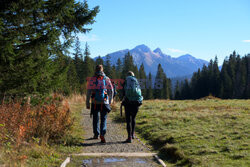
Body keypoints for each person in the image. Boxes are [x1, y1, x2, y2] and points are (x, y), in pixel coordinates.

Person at [86, 65, 114, 143]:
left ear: (95, 70)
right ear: (102, 70)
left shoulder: (92, 79)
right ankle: (102, 134)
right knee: (103, 119)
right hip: (104, 102)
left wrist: (87, 103)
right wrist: (110, 100)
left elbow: (88, 92)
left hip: (95, 102)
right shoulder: (106, 78)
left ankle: (96, 134)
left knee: (95, 118)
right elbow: (111, 90)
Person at [122, 71, 143, 143]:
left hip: (128, 102)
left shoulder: (126, 81)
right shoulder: (136, 81)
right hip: (136, 102)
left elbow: (123, 93)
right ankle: (133, 134)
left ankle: (129, 137)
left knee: (128, 120)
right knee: (133, 118)